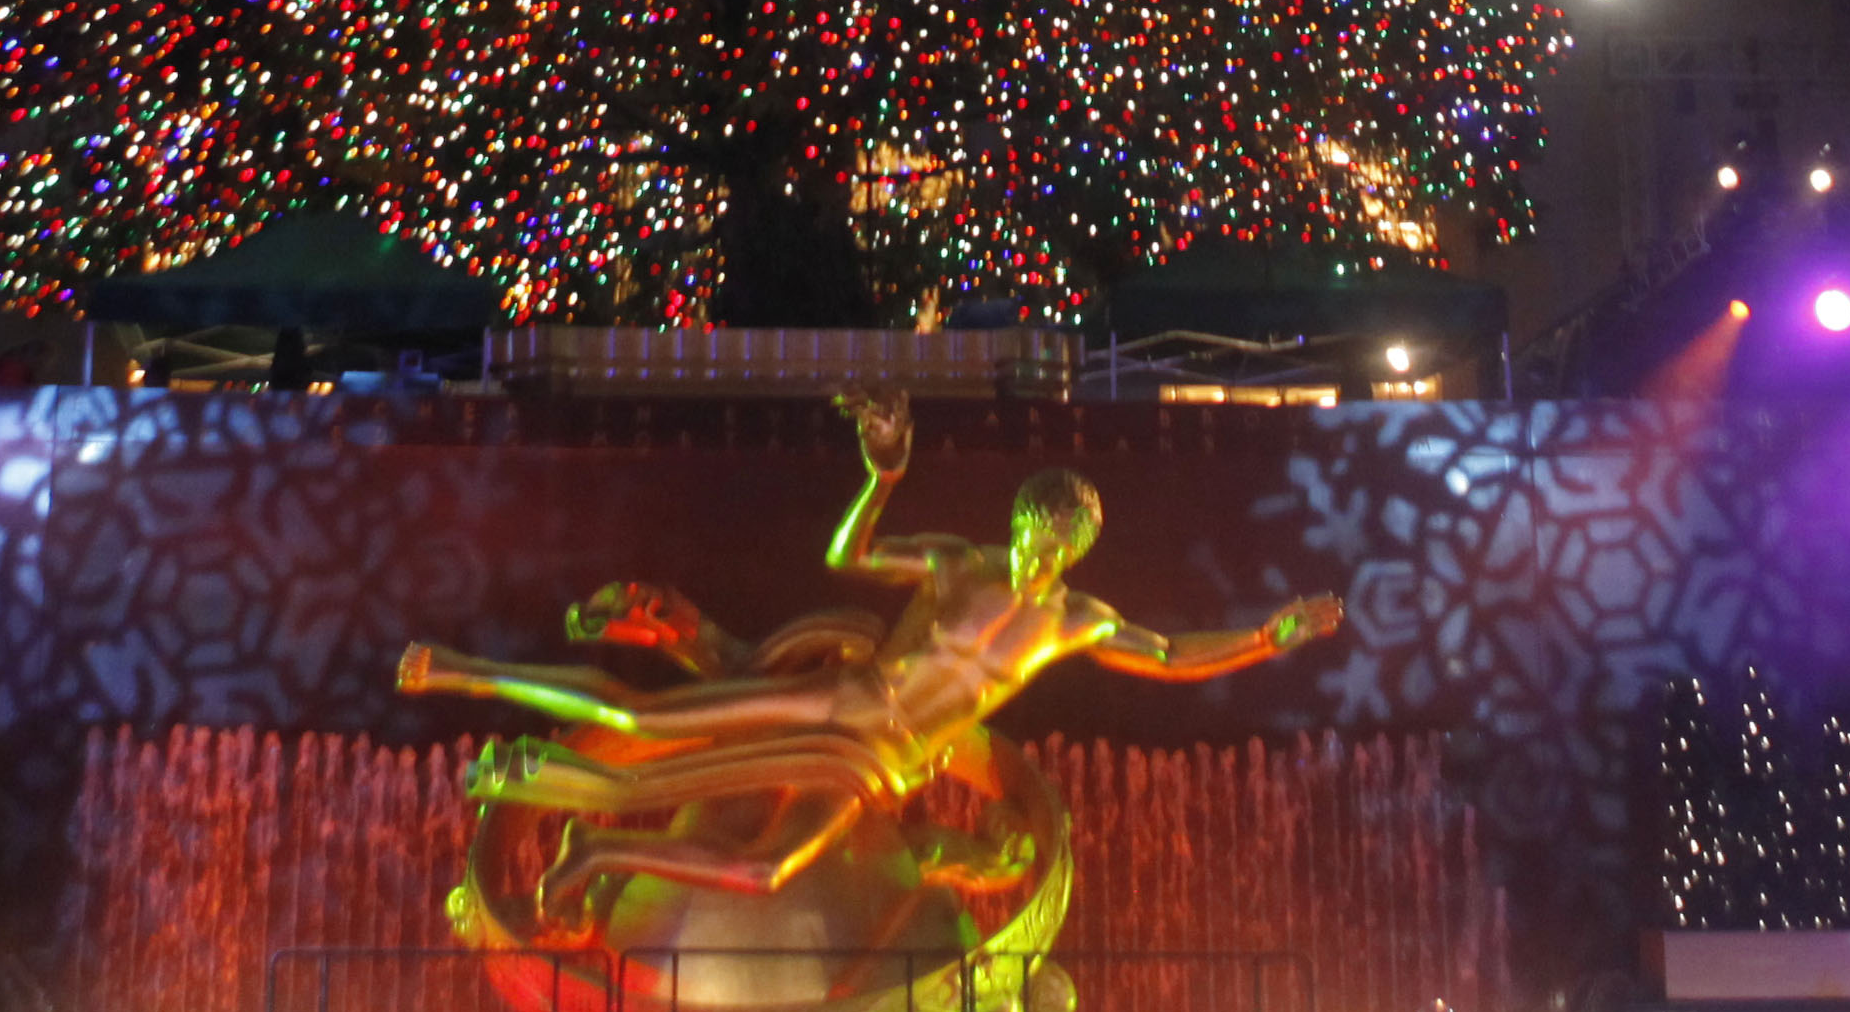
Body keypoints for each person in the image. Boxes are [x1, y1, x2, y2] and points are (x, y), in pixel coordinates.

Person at [399, 389, 1342, 913]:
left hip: (887, 762)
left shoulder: (1076, 619)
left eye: (1052, 547)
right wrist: (882, 474)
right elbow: (844, 555)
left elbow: (1174, 656)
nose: (1032, 556)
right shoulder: (954, 563)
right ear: (1013, 523)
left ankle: (599, 852)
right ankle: (463, 670)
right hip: (846, 699)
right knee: (641, 716)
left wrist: (1266, 636)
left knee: (768, 871)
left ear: (1075, 552)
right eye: (1028, 534)